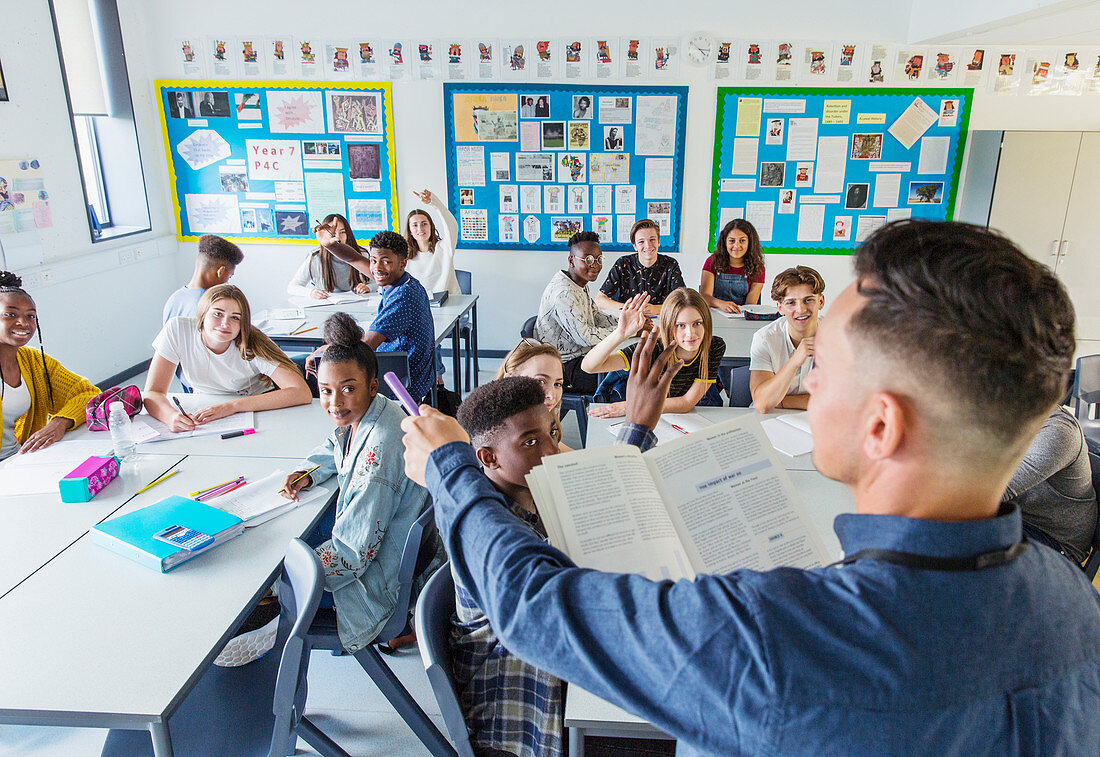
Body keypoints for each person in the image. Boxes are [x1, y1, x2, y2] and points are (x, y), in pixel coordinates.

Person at [402, 220, 1100, 755]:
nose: (810, 372)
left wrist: (452, 467)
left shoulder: (785, 635)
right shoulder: (1072, 600)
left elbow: (533, 604)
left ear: (881, 425)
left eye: (824, 360)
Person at [281, 313, 436, 653]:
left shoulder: (380, 453)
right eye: (325, 391)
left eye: (347, 389)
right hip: (388, 553)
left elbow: (351, 554)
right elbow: (335, 443)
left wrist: (280, 576)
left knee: (272, 588)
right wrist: (307, 473)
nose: (335, 403)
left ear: (372, 386)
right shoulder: (377, 409)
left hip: (373, 585)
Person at [450, 376, 564, 757]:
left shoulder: (538, 496)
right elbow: (552, 596)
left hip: (551, 684)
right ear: (488, 457)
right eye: (531, 442)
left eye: (552, 431)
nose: (552, 450)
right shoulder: (489, 530)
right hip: (516, 722)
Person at [144, 285, 311, 431]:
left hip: (252, 408)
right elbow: (153, 392)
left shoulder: (252, 342)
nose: (225, 324)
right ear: (203, 314)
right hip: (205, 409)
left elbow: (301, 392)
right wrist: (171, 417)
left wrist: (233, 407)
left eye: (235, 318)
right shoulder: (178, 329)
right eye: (218, 314)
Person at [313, 226, 436, 403]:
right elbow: (354, 258)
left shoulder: (404, 294)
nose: (376, 268)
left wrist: (326, 351)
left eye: (385, 261)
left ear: (402, 263)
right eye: (373, 260)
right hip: (399, 369)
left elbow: (366, 346)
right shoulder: (398, 280)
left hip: (402, 380)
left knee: (323, 375)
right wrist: (331, 245)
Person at [1, 272, 100, 460]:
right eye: (10, 314)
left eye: (30, 316)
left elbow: (88, 393)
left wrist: (60, 422)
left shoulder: (34, 361)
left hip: (18, 458)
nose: (23, 322)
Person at [583, 289, 724, 417]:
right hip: (643, 410)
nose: (690, 333)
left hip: (662, 412)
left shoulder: (713, 347)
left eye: (697, 323)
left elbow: (687, 402)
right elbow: (589, 366)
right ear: (668, 325)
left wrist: (631, 407)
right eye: (681, 325)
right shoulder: (652, 348)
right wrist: (620, 333)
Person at [1002, 406, 1098, 563]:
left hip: (1053, 541)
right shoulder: (999, 416)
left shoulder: (1059, 430)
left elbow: (993, 492)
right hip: (1016, 516)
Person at [534, 231, 616, 395]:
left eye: (599, 259)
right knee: (624, 376)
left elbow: (596, 316)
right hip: (564, 367)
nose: (595, 265)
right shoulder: (564, 293)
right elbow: (585, 337)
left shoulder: (578, 283)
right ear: (571, 260)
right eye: (588, 259)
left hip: (580, 356)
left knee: (626, 363)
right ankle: (603, 417)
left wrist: (628, 321)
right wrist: (625, 331)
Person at [749, 266, 825, 413]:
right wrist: (795, 361)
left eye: (808, 300)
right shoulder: (765, 338)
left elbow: (840, 401)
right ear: (780, 308)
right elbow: (762, 403)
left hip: (817, 418)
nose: (801, 309)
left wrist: (780, 401)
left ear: (821, 301)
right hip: (771, 418)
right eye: (791, 303)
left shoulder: (838, 337)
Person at [594, 218, 685, 317]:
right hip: (628, 321)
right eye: (641, 241)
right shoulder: (623, 264)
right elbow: (599, 300)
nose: (648, 245)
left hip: (660, 320)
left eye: (652, 240)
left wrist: (657, 309)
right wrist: (630, 308)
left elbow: (683, 301)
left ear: (658, 241)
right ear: (635, 246)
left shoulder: (670, 265)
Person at [496, 339, 571, 451]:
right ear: (510, 381)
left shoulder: (538, 421)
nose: (551, 395)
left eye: (557, 384)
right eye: (540, 381)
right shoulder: (506, 436)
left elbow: (561, 449)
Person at [286, 213, 371, 300]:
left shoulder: (361, 254)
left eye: (342, 232)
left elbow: (379, 280)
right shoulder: (315, 258)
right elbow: (292, 287)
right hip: (326, 305)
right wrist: (311, 292)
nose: (338, 237)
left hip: (358, 303)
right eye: (333, 233)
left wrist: (369, 287)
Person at [163, 234, 244, 322]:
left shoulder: (174, 299)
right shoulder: (211, 305)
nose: (227, 281)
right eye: (229, 276)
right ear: (220, 271)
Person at [699, 218, 765, 314]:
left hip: (741, 316)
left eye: (742, 240)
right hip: (714, 315)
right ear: (725, 242)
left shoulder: (758, 267)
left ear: (750, 242)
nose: (736, 246)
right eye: (732, 241)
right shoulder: (712, 262)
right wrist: (721, 304)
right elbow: (704, 296)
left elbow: (750, 304)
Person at [404, 189, 461, 296]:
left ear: (431, 226)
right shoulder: (404, 255)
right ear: (410, 230)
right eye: (415, 225)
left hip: (447, 304)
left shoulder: (443, 248)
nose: (420, 229)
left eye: (424, 224)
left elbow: (452, 226)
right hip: (418, 306)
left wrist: (434, 202)